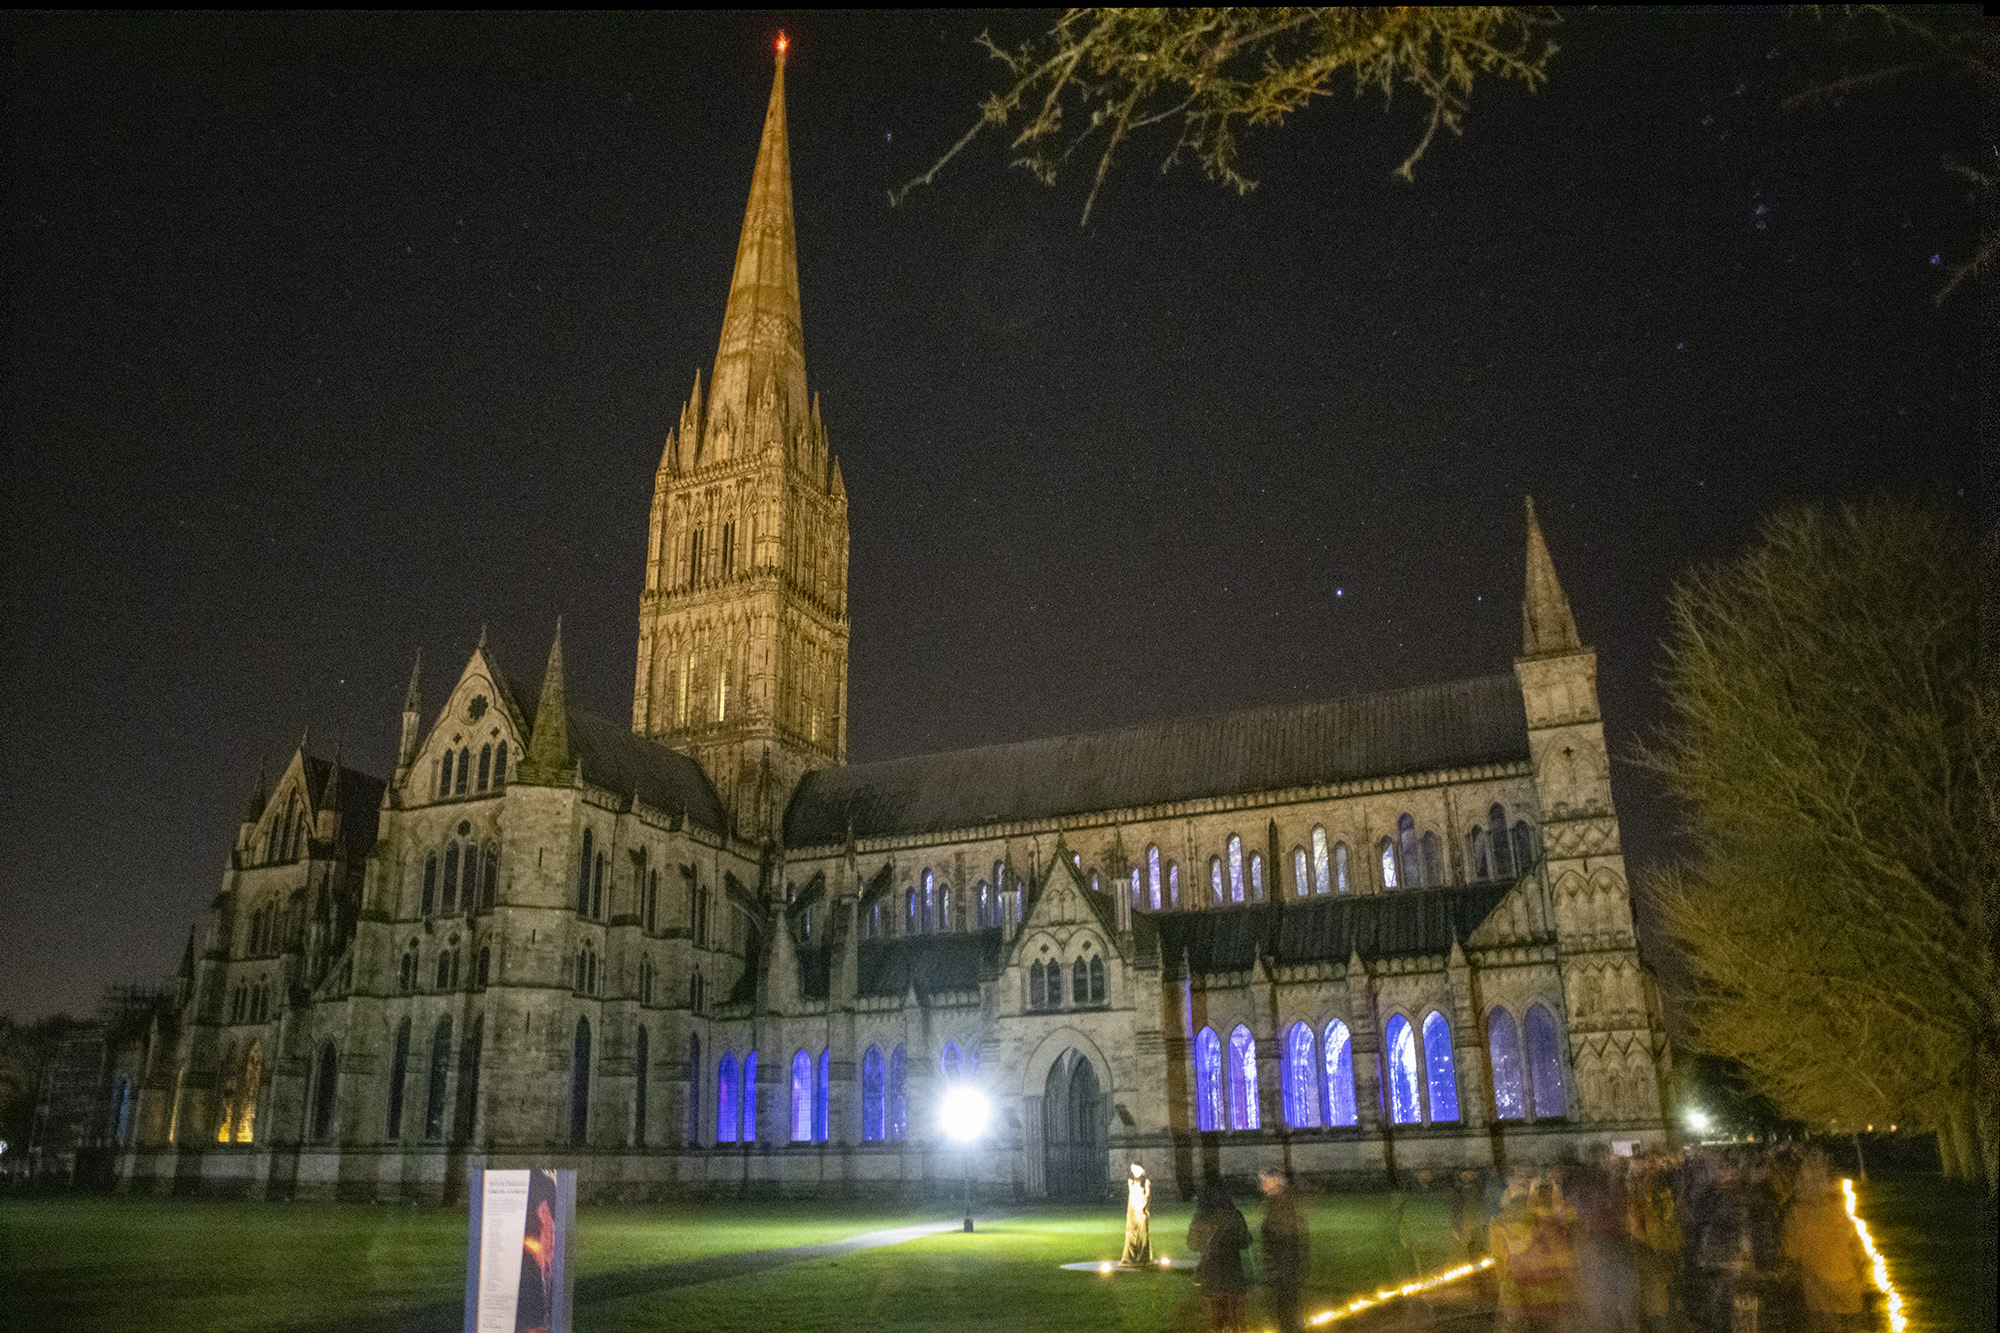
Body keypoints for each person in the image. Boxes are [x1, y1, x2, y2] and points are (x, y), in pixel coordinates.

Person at [1780, 1156, 1872, 1333]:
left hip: (1818, 1292)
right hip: (1849, 1288)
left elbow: (1791, 1251)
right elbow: (1859, 1251)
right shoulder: (1839, 1211)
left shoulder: (1796, 1214)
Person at [1188, 1183, 1252, 1333]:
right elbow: (1246, 1241)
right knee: (1234, 1314)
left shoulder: (1200, 1217)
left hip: (1211, 1271)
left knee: (1216, 1314)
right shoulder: (1234, 1215)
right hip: (1232, 1270)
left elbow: (1192, 1244)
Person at [1259, 1169, 1309, 1333]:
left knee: (1287, 1301)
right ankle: (1290, 1327)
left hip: (1284, 1261)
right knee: (1285, 1301)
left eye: (1265, 1181)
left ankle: (1292, 1328)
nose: (1262, 1186)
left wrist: (1277, 1261)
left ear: (1276, 1183)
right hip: (1282, 1260)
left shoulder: (1281, 1203)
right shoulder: (1275, 1202)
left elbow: (1285, 1233)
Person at [1121, 1162, 1153, 1267]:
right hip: (1132, 1211)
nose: (1135, 1171)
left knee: (1142, 1234)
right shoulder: (1131, 1181)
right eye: (1133, 1169)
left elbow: (1147, 1196)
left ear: (1142, 1170)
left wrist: (1144, 1208)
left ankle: (1143, 1257)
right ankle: (1130, 1257)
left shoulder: (1146, 1181)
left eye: (1137, 1169)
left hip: (1141, 1210)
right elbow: (1131, 1196)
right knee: (1131, 1233)